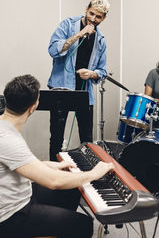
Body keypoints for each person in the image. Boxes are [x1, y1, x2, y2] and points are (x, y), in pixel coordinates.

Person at [0, 74, 114, 238]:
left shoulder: (4, 126)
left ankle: (54, 227)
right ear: (33, 106)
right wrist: (94, 173)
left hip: (19, 194)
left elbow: (14, 164)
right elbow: (54, 182)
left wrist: (46, 165)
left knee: (74, 188)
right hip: (11, 216)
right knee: (83, 224)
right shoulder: (8, 139)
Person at [48, 0, 110, 161]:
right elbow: (53, 50)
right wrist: (78, 35)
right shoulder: (68, 24)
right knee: (56, 137)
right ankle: (55, 175)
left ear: (104, 18)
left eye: (98, 17)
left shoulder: (101, 40)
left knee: (87, 139)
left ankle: (86, 177)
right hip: (61, 88)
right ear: (86, 9)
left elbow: (102, 71)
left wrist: (92, 74)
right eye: (91, 14)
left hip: (84, 92)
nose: (93, 19)